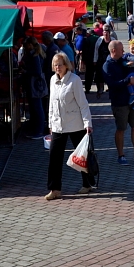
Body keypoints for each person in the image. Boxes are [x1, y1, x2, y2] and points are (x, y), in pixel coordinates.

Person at [45, 52, 94, 200]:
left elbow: (83, 103)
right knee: (54, 157)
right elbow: (51, 104)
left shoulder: (75, 80)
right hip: (58, 125)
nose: (57, 67)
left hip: (75, 124)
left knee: (81, 156)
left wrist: (88, 123)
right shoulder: (53, 79)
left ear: (66, 65)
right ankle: (55, 189)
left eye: (60, 64)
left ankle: (88, 183)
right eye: (55, 65)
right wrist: (50, 123)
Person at [102, 40, 134, 165]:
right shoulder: (108, 65)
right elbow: (112, 84)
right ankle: (121, 155)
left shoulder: (123, 61)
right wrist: (127, 81)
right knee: (121, 128)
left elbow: (133, 73)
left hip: (132, 100)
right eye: (121, 49)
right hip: (119, 101)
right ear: (113, 51)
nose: (124, 51)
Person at [21, 36, 48, 139]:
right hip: (37, 84)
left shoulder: (35, 55)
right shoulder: (36, 53)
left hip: (36, 85)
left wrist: (26, 71)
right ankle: (38, 129)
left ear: (30, 44)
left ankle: (39, 131)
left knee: (38, 108)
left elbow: (37, 71)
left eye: (26, 45)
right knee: (36, 107)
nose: (24, 46)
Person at [93, 25, 114, 99]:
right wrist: (95, 60)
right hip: (100, 60)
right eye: (104, 32)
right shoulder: (99, 40)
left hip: (110, 61)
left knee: (110, 76)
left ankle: (111, 89)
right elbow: (96, 51)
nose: (105, 34)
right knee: (99, 76)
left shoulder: (113, 40)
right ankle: (100, 89)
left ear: (109, 33)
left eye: (107, 32)